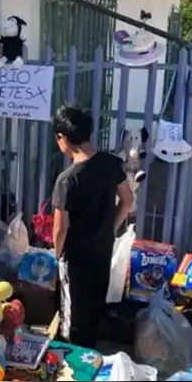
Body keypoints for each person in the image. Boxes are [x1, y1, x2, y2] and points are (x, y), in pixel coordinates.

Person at [50, 105, 135, 348]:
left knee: (73, 312)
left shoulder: (66, 180)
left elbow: (60, 229)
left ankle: (75, 359)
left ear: (62, 138)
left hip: (75, 257)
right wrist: (110, 227)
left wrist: (57, 255)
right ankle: (92, 350)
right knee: (96, 301)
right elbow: (128, 201)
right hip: (102, 247)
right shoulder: (111, 163)